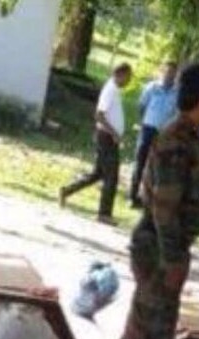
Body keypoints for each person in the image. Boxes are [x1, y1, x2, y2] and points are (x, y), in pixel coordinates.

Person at [102, 63, 199, 339]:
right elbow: (165, 208)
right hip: (157, 247)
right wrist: (172, 258)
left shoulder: (191, 139)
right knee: (147, 319)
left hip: (167, 247)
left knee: (158, 324)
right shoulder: (176, 141)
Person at [60, 62, 133, 225]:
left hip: (108, 136)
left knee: (98, 173)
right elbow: (99, 115)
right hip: (107, 137)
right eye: (128, 76)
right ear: (121, 74)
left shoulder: (114, 90)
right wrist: (114, 133)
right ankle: (104, 213)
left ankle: (67, 191)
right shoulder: (110, 90)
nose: (129, 80)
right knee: (112, 176)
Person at [130, 61, 178, 209]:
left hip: (163, 134)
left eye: (172, 73)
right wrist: (146, 122)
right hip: (148, 129)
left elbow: (176, 114)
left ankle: (149, 199)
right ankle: (133, 196)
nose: (169, 76)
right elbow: (141, 106)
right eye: (167, 72)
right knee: (140, 162)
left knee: (157, 166)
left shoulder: (177, 93)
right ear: (162, 71)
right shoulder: (151, 88)